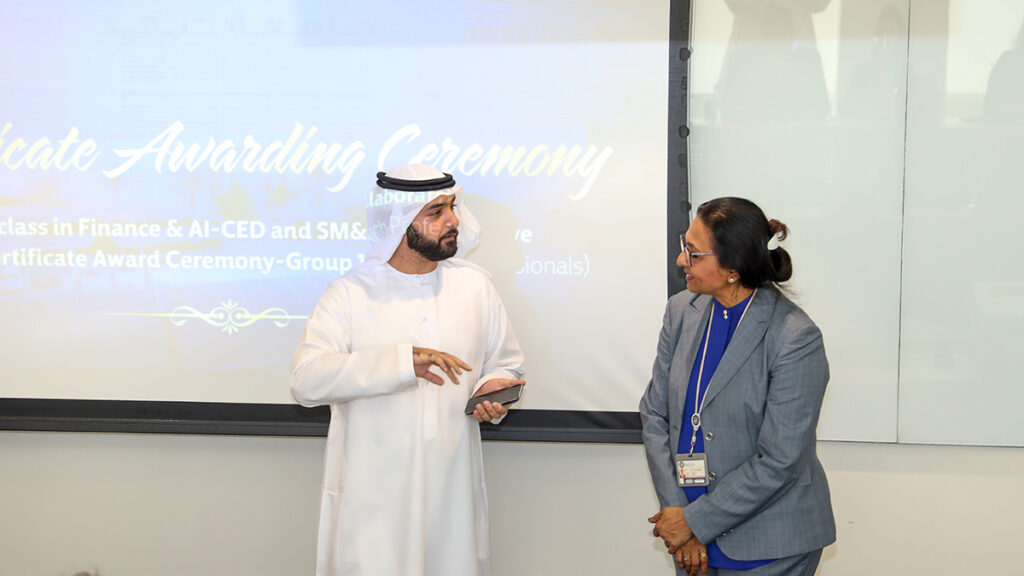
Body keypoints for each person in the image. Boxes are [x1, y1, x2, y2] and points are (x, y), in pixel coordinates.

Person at [290, 164, 526, 576]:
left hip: (451, 492)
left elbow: (504, 363)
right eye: (436, 212)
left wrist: (492, 394)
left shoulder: (475, 288)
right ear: (398, 221)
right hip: (374, 501)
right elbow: (306, 380)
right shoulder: (350, 293)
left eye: (452, 207)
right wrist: (402, 362)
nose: (453, 220)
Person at [640, 197, 835, 576]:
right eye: (684, 247)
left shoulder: (795, 337)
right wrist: (678, 514)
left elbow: (780, 460)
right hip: (689, 536)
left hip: (769, 544)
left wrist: (695, 521)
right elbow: (655, 413)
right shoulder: (682, 310)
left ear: (732, 268)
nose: (681, 260)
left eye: (694, 253)